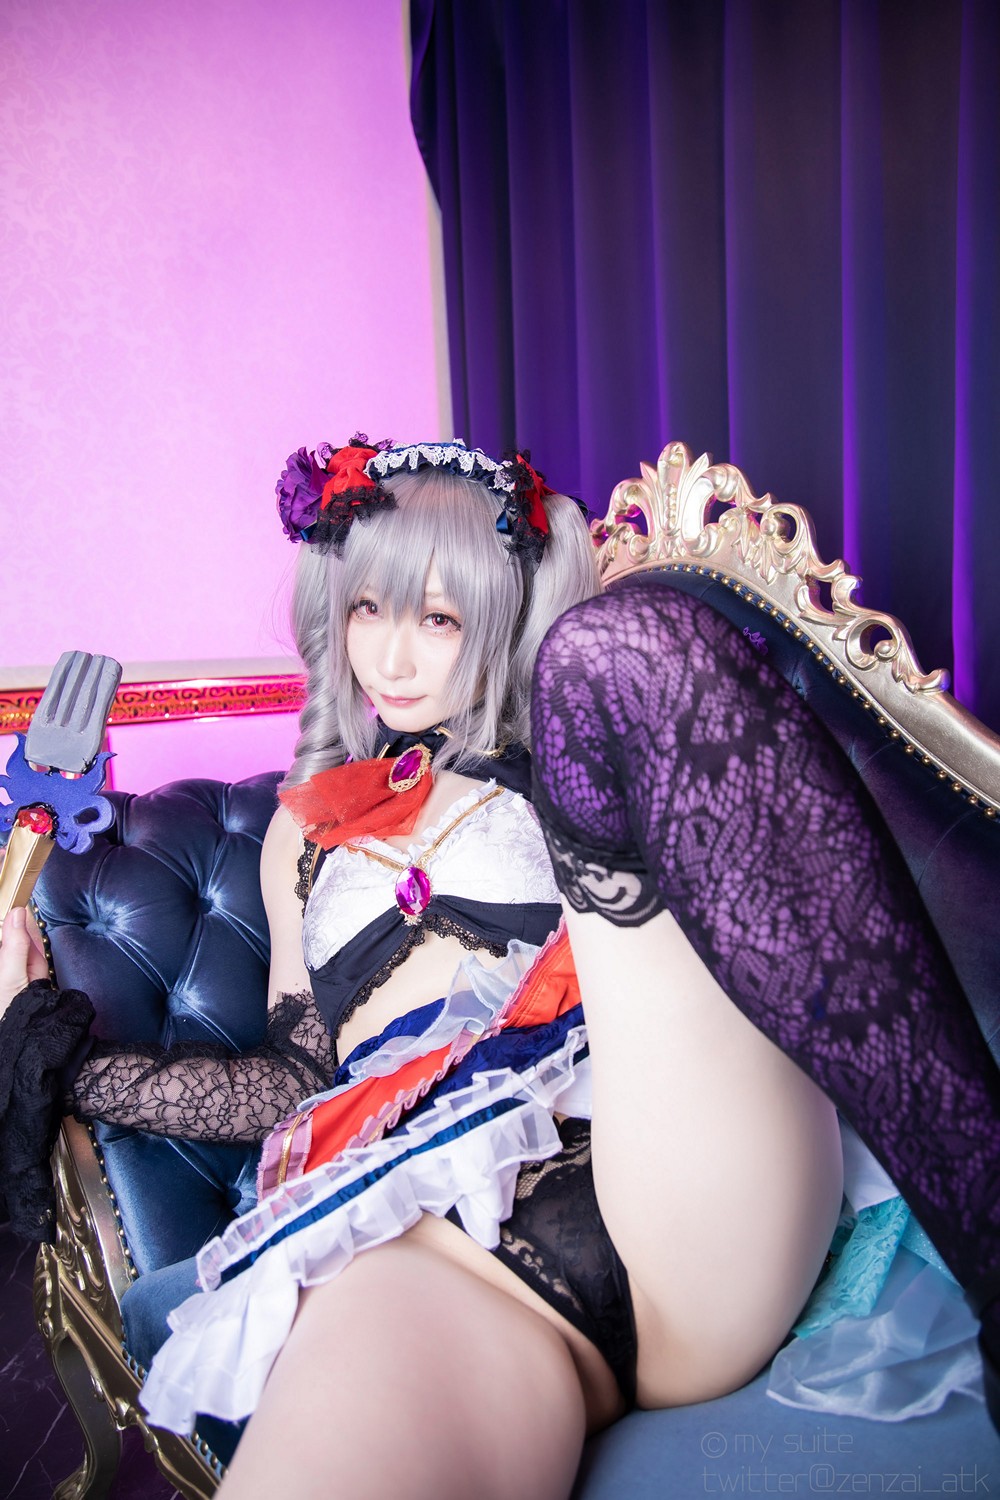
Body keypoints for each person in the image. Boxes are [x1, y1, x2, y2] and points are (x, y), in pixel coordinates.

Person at [0, 435, 997, 1500]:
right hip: (453, 1244)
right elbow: (293, 1078)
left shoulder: (570, 757)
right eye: (366, 609)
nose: (389, 659)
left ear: (501, 614)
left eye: (438, 618)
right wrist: (47, 1045)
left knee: (612, 657)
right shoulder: (299, 837)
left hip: (667, 1135)